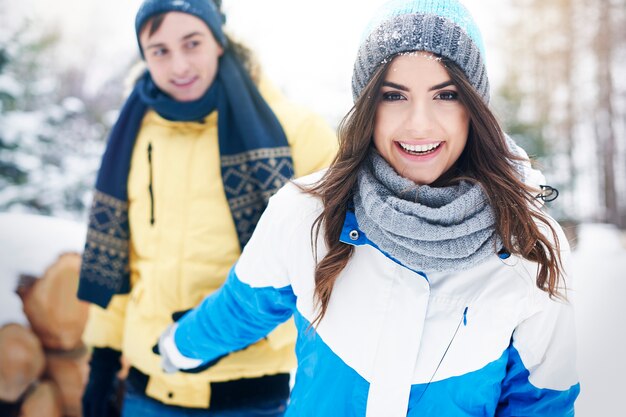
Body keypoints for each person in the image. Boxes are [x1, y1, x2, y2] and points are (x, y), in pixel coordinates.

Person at [154, 0, 581, 416]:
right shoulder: (308, 212)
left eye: (446, 94)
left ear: (475, 107)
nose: (419, 123)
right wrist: (178, 347)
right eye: (393, 96)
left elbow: (542, 401)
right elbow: (244, 305)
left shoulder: (530, 246)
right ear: (367, 106)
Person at [76, 0, 337, 416]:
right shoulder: (134, 133)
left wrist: (215, 338)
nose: (179, 65)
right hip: (148, 389)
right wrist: (103, 361)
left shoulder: (298, 132)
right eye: (159, 50)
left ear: (218, 40)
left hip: (249, 394)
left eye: (192, 43)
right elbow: (121, 257)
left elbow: (322, 269)